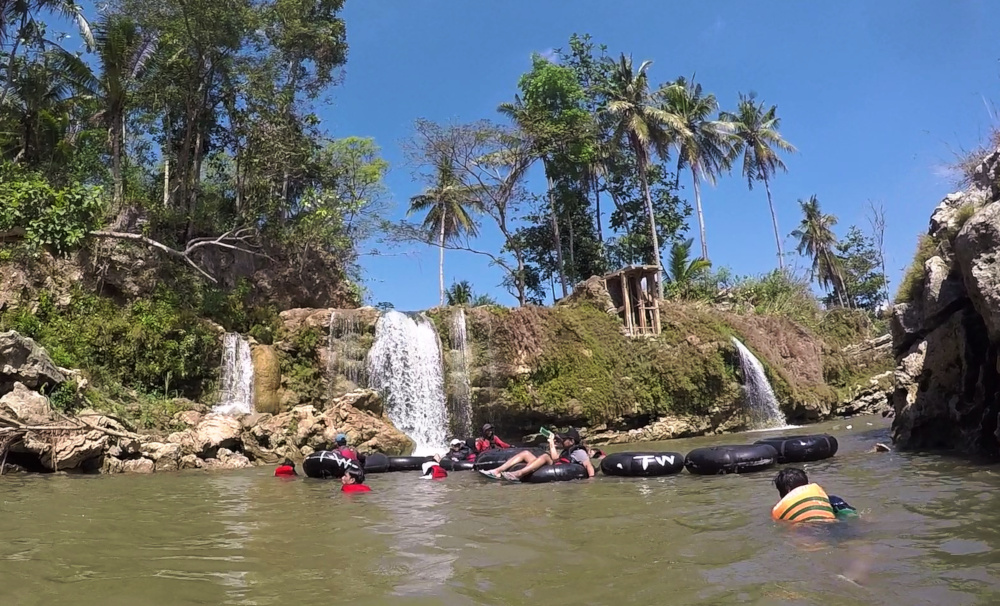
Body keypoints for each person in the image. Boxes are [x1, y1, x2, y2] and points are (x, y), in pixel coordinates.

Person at [483, 427, 595, 481]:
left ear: (571, 441)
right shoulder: (567, 450)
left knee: (546, 456)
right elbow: (556, 459)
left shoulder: (579, 452)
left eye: (564, 439)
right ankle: (497, 471)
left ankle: (518, 474)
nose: (561, 440)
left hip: (560, 468)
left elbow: (588, 466)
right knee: (526, 453)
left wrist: (591, 480)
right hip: (557, 465)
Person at [772, 468, 857, 522]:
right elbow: (851, 515)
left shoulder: (782, 512)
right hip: (840, 526)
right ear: (808, 484)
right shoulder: (832, 500)